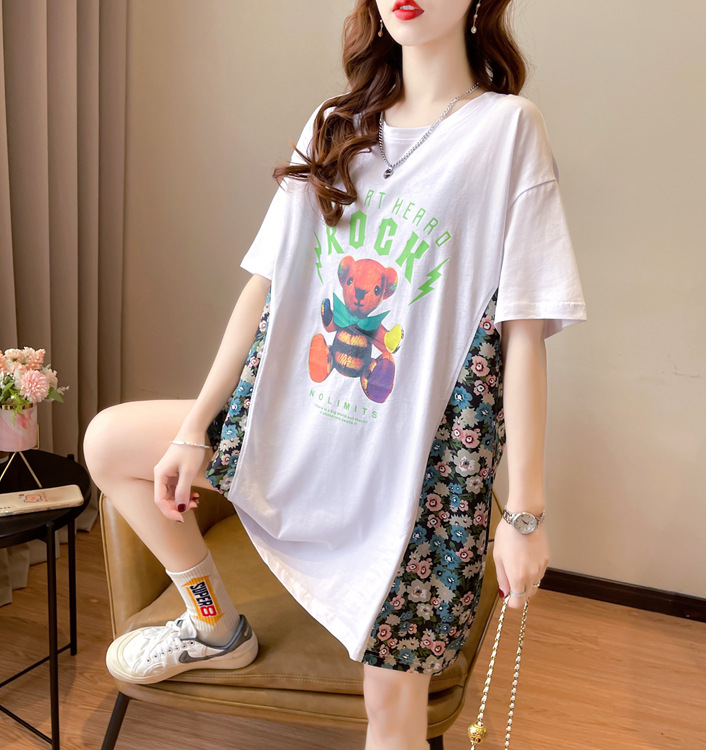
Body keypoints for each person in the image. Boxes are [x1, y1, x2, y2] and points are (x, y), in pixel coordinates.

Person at [83, 1, 586, 748]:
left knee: (392, 713)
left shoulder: (508, 130)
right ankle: (215, 627)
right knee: (109, 442)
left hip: (409, 476)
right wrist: (194, 428)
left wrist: (525, 513)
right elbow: (267, 285)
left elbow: (524, 331)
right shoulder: (333, 124)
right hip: (295, 428)